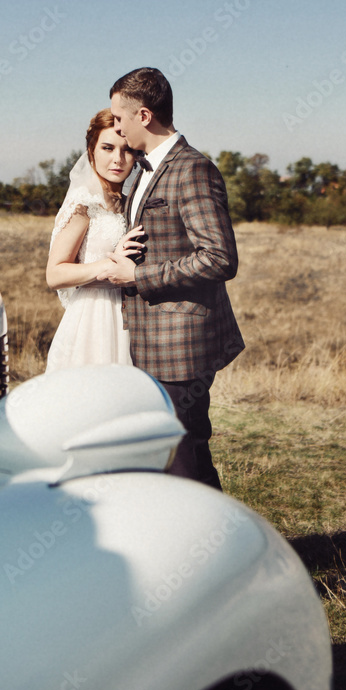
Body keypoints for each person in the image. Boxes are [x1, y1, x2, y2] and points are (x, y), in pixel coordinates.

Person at [98, 68, 244, 489]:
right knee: (180, 454)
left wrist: (139, 275)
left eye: (120, 118)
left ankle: (209, 546)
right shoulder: (143, 171)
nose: (118, 128)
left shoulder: (192, 169)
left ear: (143, 116)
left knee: (184, 458)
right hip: (150, 340)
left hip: (181, 346)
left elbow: (219, 258)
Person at [45, 108, 144, 372]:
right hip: (93, 319)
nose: (118, 159)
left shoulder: (128, 201)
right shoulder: (84, 203)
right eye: (108, 148)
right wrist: (109, 265)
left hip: (130, 316)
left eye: (127, 150)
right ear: (91, 151)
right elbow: (54, 274)